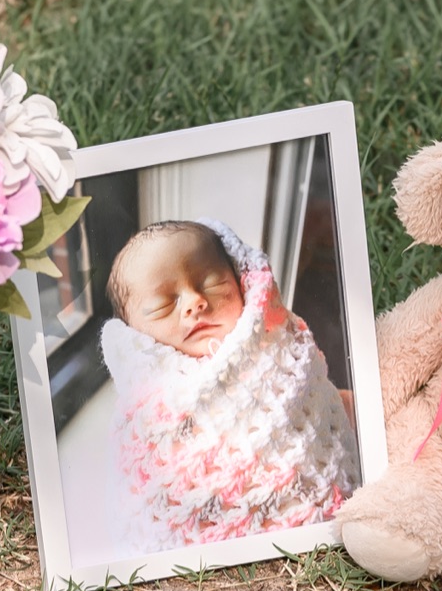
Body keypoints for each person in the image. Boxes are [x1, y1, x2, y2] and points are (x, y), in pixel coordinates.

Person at [100, 218, 358, 552]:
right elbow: (144, 500)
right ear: (134, 333)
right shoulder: (148, 413)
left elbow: (316, 408)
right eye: (164, 304)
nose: (194, 301)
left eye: (211, 282)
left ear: (241, 280)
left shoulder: (278, 346)